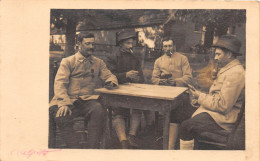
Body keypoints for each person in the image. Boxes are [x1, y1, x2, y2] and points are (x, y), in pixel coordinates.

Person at [49, 32, 118, 149]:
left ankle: (92, 148)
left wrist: (111, 81)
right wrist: (63, 104)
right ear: (79, 44)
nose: (91, 47)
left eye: (93, 43)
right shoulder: (68, 61)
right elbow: (60, 84)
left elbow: (109, 75)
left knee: (98, 111)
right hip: (67, 99)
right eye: (87, 44)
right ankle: (74, 149)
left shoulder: (98, 62)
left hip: (87, 100)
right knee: (61, 117)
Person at [179, 35, 245, 150]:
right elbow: (217, 96)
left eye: (218, 54)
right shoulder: (228, 68)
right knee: (179, 112)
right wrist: (198, 98)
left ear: (229, 54)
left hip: (224, 119)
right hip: (216, 113)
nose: (215, 57)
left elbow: (223, 105)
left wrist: (200, 96)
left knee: (186, 126)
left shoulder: (236, 73)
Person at [151, 37, 195, 149]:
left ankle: (172, 143)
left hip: (181, 92)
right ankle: (165, 136)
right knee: (163, 109)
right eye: (165, 46)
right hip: (164, 92)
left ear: (174, 46)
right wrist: (160, 81)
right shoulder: (158, 61)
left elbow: (188, 77)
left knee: (177, 112)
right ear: (162, 48)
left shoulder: (182, 59)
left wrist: (176, 81)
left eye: (170, 46)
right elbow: (153, 78)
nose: (167, 48)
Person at [106, 29, 147, 149]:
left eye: (132, 43)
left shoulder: (134, 57)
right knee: (119, 112)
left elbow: (141, 76)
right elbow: (108, 76)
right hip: (116, 90)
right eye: (128, 43)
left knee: (138, 107)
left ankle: (131, 136)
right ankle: (123, 141)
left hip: (133, 90)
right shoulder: (112, 57)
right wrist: (126, 75)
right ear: (121, 44)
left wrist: (137, 79)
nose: (131, 45)